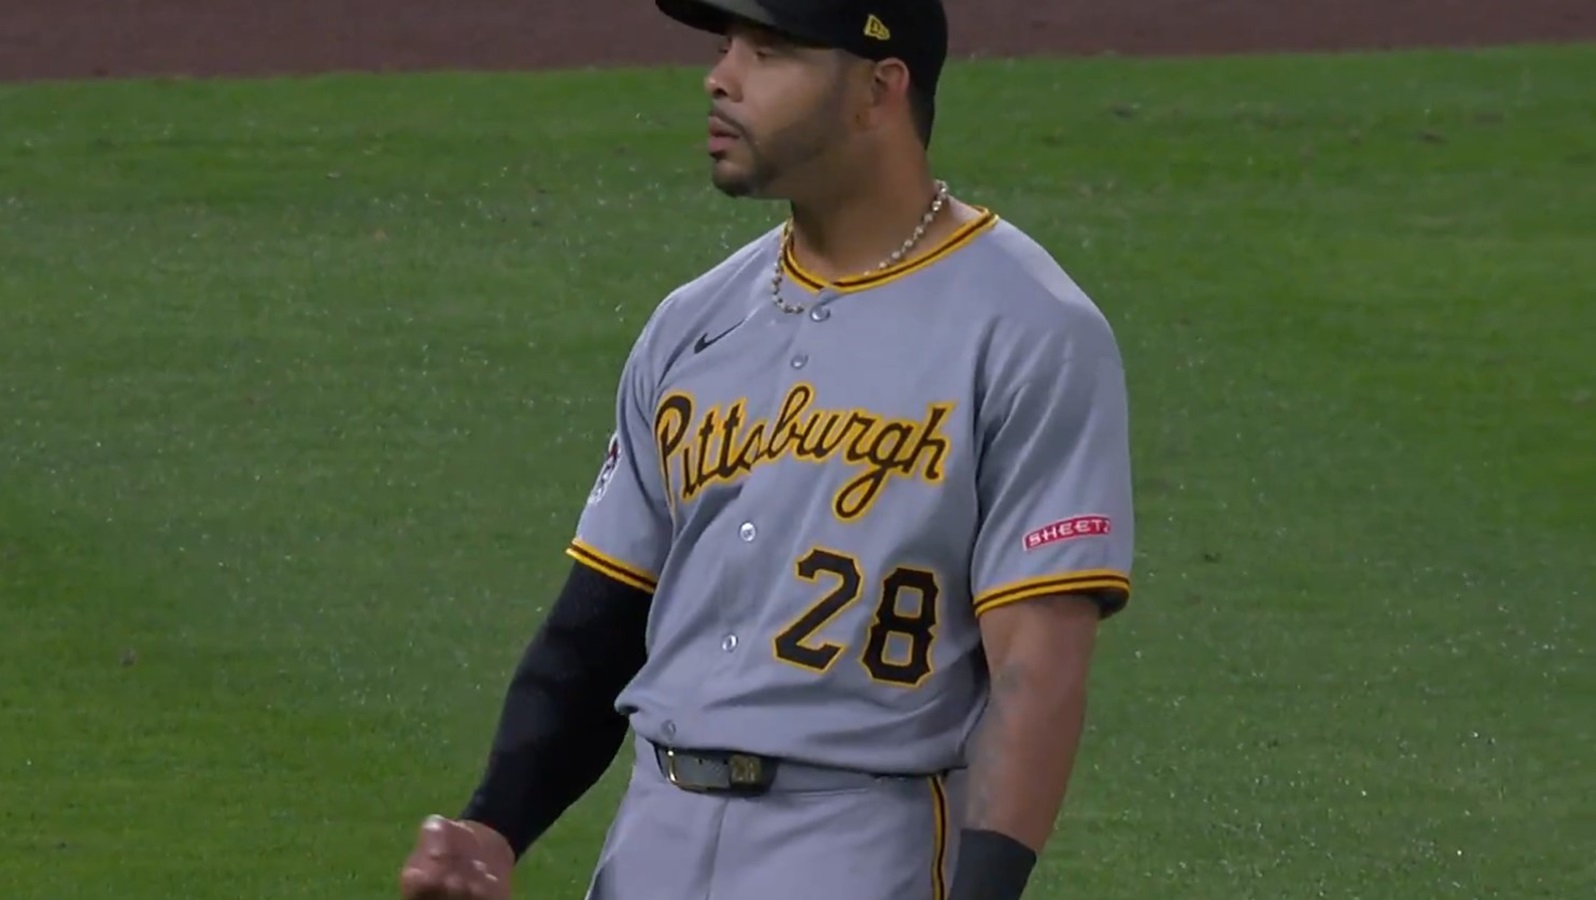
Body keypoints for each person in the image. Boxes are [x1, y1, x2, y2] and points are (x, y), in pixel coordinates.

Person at [398, 0, 1135, 897]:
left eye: (771, 50)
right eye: (725, 46)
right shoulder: (693, 321)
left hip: (861, 838)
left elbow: (1037, 669)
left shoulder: (1027, 330)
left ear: (877, 90)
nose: (721, 78)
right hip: (655, 833)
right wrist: (494, 824)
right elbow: (600, 621)